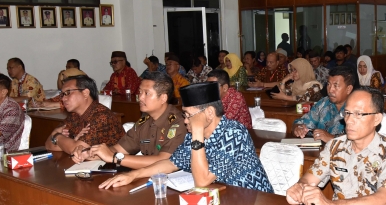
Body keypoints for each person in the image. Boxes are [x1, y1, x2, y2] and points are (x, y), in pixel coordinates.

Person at [99, 82, 273, 192]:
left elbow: (202, 182)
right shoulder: (195, 133)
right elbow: (172, 162)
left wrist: (197, 132)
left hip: (252, 202)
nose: (185, 121)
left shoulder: (233, 134)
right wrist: (134, 176)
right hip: (223, 197)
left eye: (189, 115)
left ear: (210, 113)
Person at [286, 88, 386, 205]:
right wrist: (300, 188)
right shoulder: (335, 146)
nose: (349, 120)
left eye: (358, 114)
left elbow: (383, 200)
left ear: (377, 119)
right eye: (347, 113)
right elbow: (310, 179)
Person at [79, 73, 187, 168]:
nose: (140, 97)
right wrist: (91, 153)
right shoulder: (145, 120)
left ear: (163, 98)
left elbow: (163, 161)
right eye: (140, 92)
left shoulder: (178, 123)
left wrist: (114, 157)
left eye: (146, 93)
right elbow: (119, 149)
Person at [45, 76, 125, 160]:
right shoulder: (74, 115)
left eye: (68, 92)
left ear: (85, 93)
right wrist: (72, 142)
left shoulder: (102, 116)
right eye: (62, 94)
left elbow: (76, 150)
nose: (63, 98)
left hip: (110, 167)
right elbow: (48, 145)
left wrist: (57, 136)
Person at [293, 65, 356, 143]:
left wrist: (331, 138)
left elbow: (360, 140)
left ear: (348, 89)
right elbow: (300, 122)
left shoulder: (358, 109)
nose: (330, 90)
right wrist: (298, 128)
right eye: (329, 84)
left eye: (336, 86)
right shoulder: (324, 103)